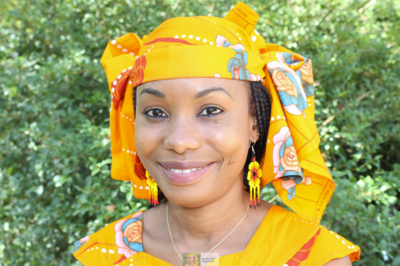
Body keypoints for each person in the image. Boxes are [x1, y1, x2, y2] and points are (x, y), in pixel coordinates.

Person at [72, 2, 361, 265]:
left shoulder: (313, 258)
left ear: (255, 125)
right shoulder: (105, 255)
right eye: (156, 112)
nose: (180, 142)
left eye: (210, 111)